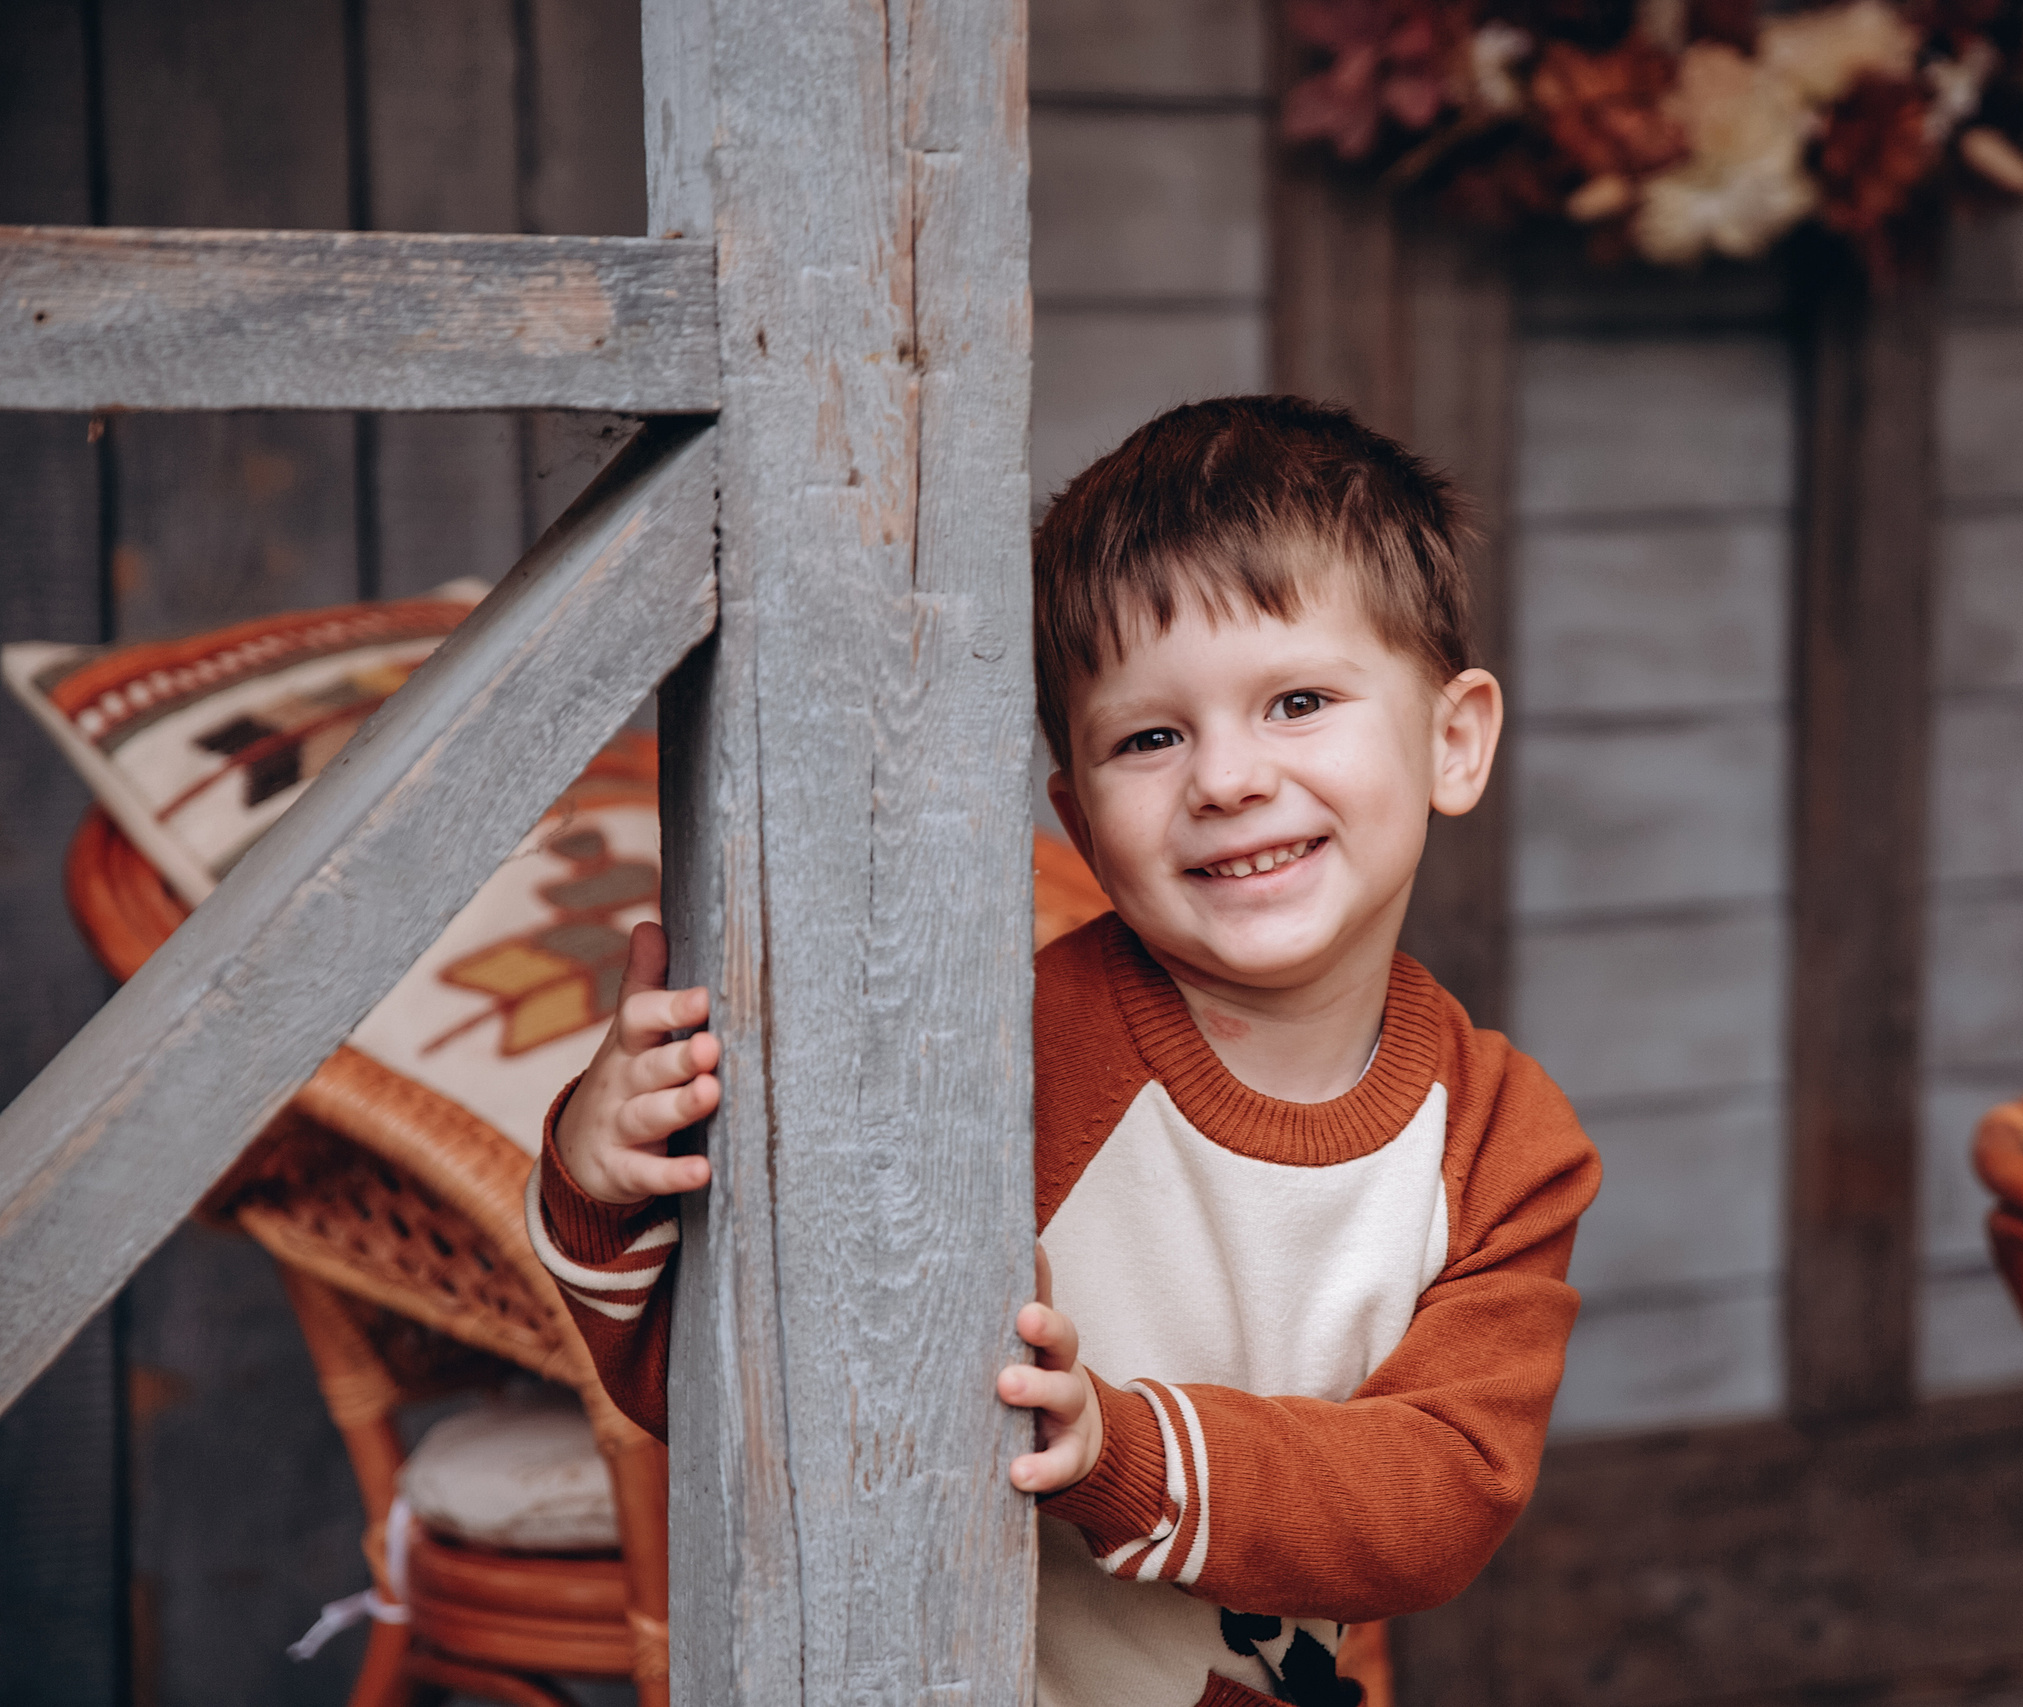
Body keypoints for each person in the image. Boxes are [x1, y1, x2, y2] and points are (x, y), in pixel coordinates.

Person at [529, 395, 1604, 1707]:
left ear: (1453, 739)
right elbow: (720, 1395)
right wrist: (600, 1185)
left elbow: (1440, 1493)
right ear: (1077, 818)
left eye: (1298, 701)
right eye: (1149, 738)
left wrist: (1122, 1450)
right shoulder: (986, 1063)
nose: (1224, 778)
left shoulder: (1503, 1139)